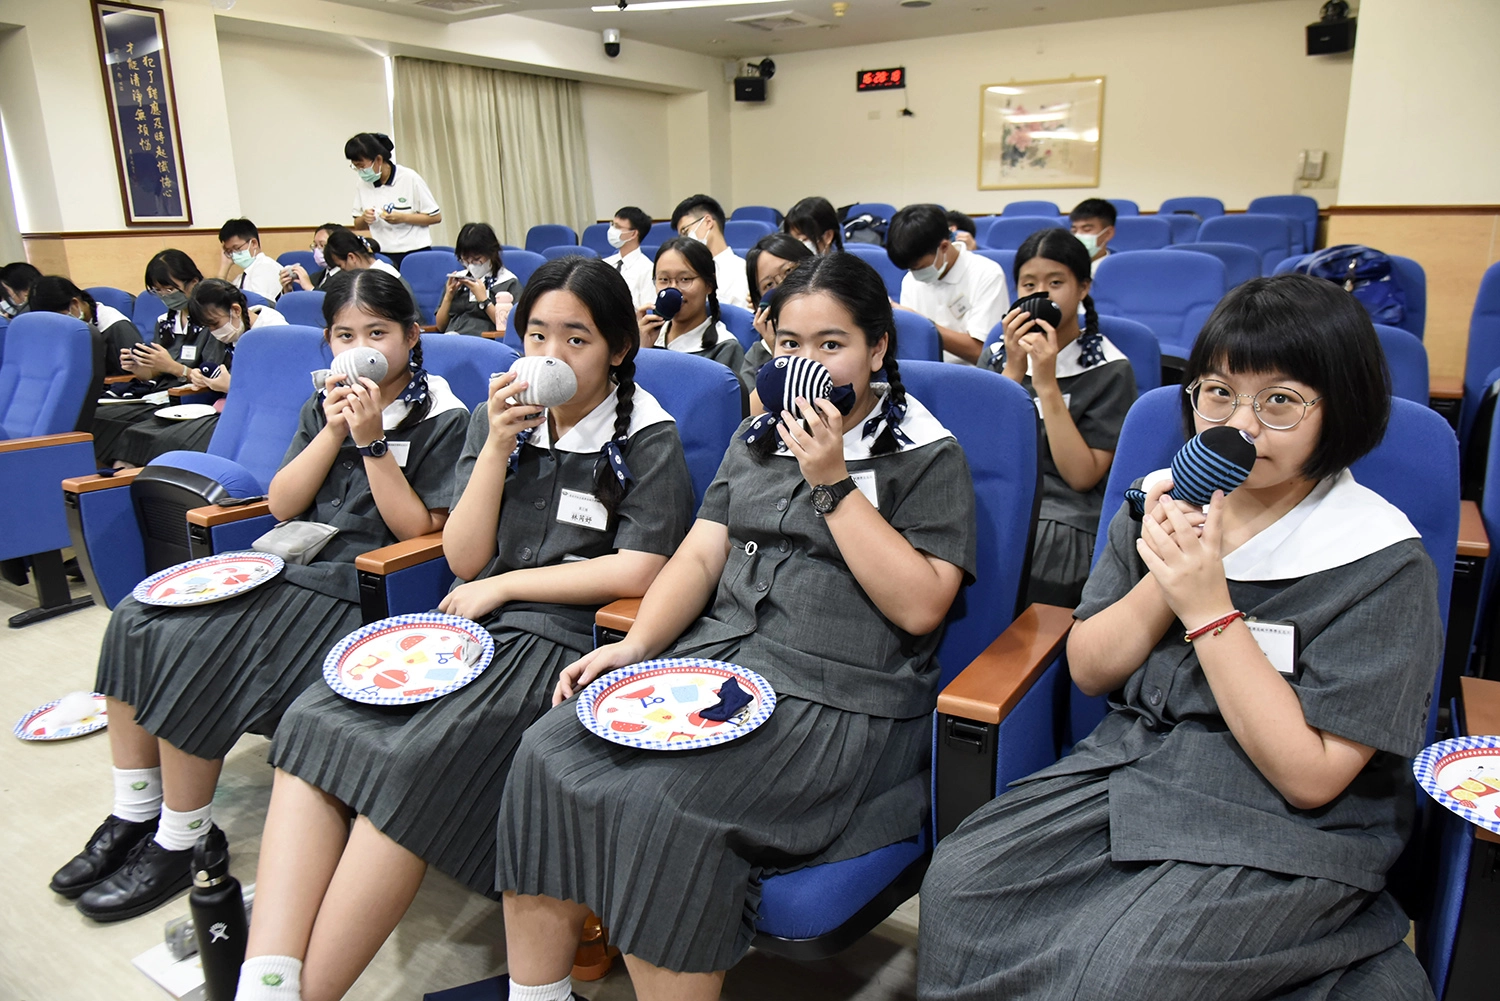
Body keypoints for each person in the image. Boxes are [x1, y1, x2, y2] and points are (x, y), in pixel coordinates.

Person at [918, 274, 1442, 1001]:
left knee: (1122, 969)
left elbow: (1312, 775)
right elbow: (1091, 668)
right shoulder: (1164, 501)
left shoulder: (1378, 558)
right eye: (1218, 392)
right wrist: (1164, 578)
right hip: (1136, 769)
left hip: (1283, 819)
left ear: (1338, 409)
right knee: (962, 884)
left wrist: (1208, 606)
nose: (1242, 426)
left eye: (1280, 401)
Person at [495, 251, 976, 1001]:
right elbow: (698, 551)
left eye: (831, 345)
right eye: (789, 345)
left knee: (664, 806)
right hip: (720, 666)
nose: (806, 363)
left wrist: (832, 483)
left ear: (877, 349)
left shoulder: (924, 451)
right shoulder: (759, 434)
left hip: (841, 700)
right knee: (545, 751)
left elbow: (921, 605)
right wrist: (637, 643)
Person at [236, 257, 694, 1001]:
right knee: (318, 719)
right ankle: (269, 978)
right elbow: (463, 555)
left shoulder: (646, 434)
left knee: (407, 762)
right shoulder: (497, 417)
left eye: (575, 339)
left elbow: (641, 568)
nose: (550, 356)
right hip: (473, 619)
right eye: (537, 334)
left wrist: (505, 585)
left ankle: (306, 993)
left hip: (562, 637)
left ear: (617, 347)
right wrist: (498, 446)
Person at [50, 270, 469, 923]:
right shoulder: (322, 403)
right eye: (345, 335)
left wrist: (371, 440)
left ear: (413, 337)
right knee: (139, 616)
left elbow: (420, 532)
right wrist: (333, 430)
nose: (361, 349)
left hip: (360, 582)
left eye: (378, 333)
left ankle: (183, 838)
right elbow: (281, 502)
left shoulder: (443, 415)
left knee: (198, 643)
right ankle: (134, 811)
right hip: (287, 557)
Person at [984, 229, 1135, 606]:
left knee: (1039, 557)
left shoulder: (1109, 368)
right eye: (1028, 283)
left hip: (1065, 510)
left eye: (1056, 282)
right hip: (998, 493)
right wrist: (1015, 371)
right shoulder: (999, 355)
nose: (1041, 293)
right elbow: (982, 452)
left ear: (1083, 288)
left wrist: (1047, 383)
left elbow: (1081, 477)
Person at [104, 278, 288, 469]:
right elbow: (210, 368)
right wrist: (201, 377)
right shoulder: (229, 330)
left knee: (167, 440)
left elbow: (280, 394)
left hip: (255, 419)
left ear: (235, 310)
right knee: (138, 433)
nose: (213, 331)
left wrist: (230, 386)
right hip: (220, 408)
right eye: (208, 327)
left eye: (215, 324)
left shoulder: (276, 333)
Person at [93, 250, 207, 463]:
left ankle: (122, 473)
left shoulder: (210, 321)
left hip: (188, 398)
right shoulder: (164, 322)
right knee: (95, 416)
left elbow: (212, 377)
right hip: (157, 394)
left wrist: (175, 368)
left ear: (193, 282)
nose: (165, 296)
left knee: (130, 430)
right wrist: (139, 369)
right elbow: (154, 374)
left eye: (170, 289)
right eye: (158, 291)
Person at [886, 203, 1008, 365]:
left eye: (919, 267)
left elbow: (984, 354)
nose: (915, 274)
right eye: (910, 269)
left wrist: (922, 325)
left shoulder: (987, 274)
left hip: (973, 374)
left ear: (944, 246)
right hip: (925, 371)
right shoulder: (910, 280)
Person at [28, 276, 141, 433]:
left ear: (75, 304)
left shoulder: (115, 327)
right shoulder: (64, 331)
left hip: (114, 395)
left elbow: (138, 375)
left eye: (57, 318)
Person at [640, 237, 752, 395]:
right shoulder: (648, 338)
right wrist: (641, 353)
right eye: (664, 280)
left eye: (685, 279)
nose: (673, 290)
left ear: (709, 285)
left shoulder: (724, 347)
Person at [347, 132, 441, 268]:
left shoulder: (409, 178)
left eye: (362, 166)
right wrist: (365, 218)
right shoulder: (362, 184)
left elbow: (435, 217)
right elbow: (358, 224)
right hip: (382, 254)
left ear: (378, 160)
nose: (360, 171)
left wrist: (402, 218)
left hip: (415, 253)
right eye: (356, 167)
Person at [743, 232, 814, 373]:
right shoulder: (758, 354)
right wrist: (777, 348)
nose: (784, 285)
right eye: (769, 284)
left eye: (788, 271)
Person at [436, 222, 521, 336]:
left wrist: (484, 300)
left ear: (492, 254)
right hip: (452, 337)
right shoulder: (458, 281)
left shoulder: (507, 282)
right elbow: (440, 326)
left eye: (477, 259)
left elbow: (510, 327)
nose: (471, 265)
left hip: (483, 341)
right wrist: (448, 297)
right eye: (465, 260)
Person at [669, 194, 750, 309]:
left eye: (686, 232)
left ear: (707, 222)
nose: (685, 241)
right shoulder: (685, 272)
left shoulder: (741, 271)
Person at [217, 218, 285, 302]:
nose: (233, 255)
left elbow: (261, 307)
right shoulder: (242, 277)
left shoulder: (266, 268)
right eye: (230, 251)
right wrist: (224, 265)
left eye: (236, 248)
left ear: (253, 243)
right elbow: (218, 299)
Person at [602, 205, 656, 309]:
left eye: (617, 227)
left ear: (633, 234)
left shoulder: (648, 270)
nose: (612, 230)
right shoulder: (605, 264)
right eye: (612, 225)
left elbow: (648, 309)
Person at [281, 223, 345, 294]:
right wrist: (288, 292)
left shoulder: (348, 279)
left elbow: (333, 302)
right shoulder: (314, 277)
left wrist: (310, 288)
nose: (317, 250)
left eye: (322, 245)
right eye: (315, 245)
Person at [1068, 197, 1116, 274]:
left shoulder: (1119, 268)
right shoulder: (1062, 266)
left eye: (1087, 230)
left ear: (1108, 233)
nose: (1078, 236)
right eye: (1074, 231)